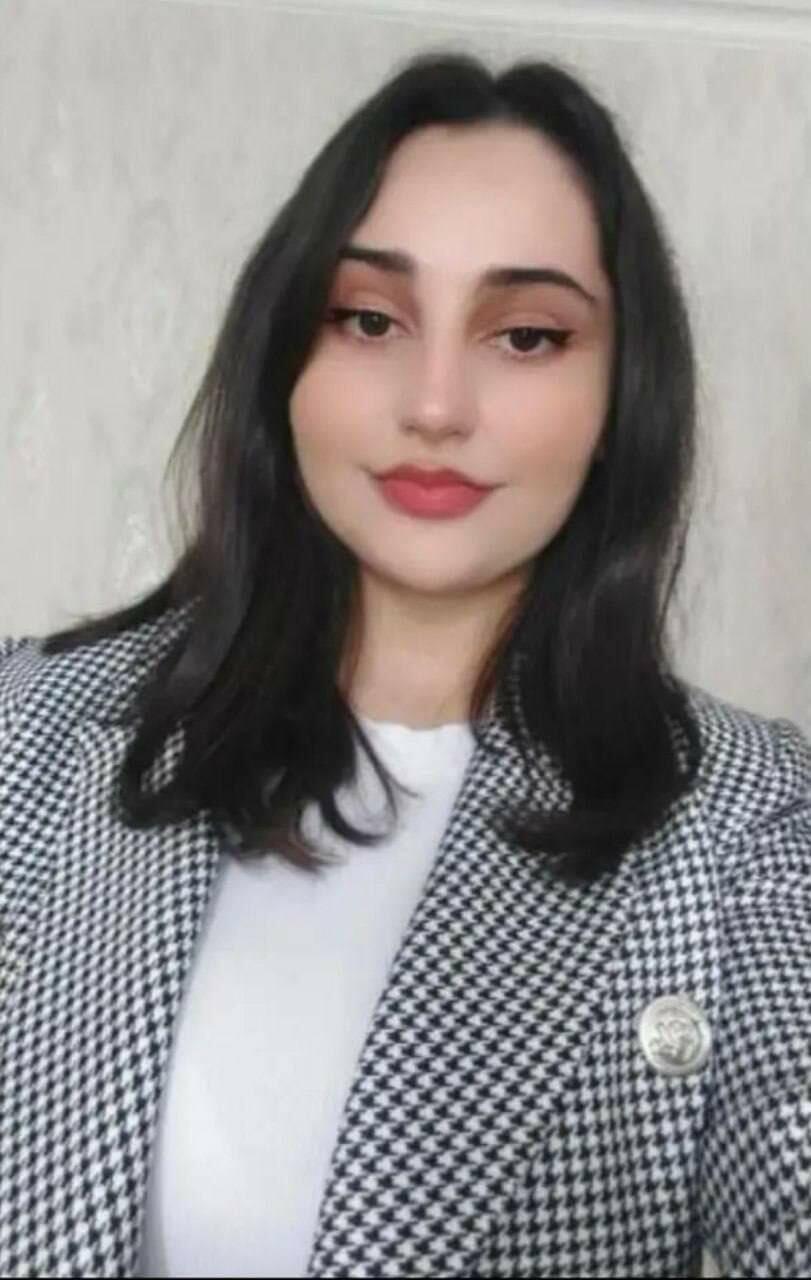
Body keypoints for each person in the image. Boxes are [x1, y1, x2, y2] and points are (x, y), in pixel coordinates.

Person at [0, 48, 808, 1280]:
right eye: (370, 319)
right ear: (286, 359)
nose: (435, 405)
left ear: (620, 399)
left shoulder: (751, 822)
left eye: (525, 335)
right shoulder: (28, 726)